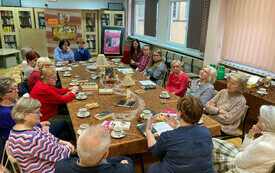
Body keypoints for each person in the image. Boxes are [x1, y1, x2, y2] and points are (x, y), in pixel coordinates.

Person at [146, 96, 215, 173]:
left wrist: (148, 130)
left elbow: (155, 153)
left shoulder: (167, 136)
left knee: (151, 168)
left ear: (179, 114)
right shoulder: (206, 131)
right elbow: (189, 137)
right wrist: (177, 127)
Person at [7, 97, 75, 173]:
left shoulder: (16, 129)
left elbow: (46, 135)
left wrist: (64, 142)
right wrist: (72, 148)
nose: (41, 114)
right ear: (25, 116)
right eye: (37, 112)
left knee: (64, 134)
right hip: (48, 169)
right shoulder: (32, 138)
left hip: (34, 164)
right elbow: (62, 153)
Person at [212, 105, 275, 173]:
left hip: (239, 169)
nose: (258, 117)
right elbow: (244, 149)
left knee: (211, 149)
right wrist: (251, 133)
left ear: (267, 123)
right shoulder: (269, 136)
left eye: (261, 117)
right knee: (213, 143)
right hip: (241, 159)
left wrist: (243, 151)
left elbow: (239, 162)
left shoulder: (264, 146)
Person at [55, 126, 135, 173]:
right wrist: (121, 163)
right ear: (106, 154)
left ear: (77, 143)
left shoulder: (60, 166)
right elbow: (128, 161)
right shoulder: (122, 169)